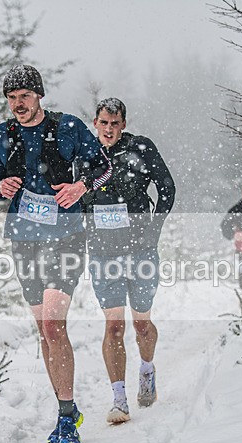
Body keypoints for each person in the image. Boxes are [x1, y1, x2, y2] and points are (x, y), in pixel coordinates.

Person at [0, 65, 112, 443]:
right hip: (24, 238)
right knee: (45, 330)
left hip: (66, 236)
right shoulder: (2, 135)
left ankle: (66, 416)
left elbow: (104, 168)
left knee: (55, 326)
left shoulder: (69, 128)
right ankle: (65, 410)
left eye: (24, 96)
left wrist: (80, 187)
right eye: (11, 99)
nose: (17, 105)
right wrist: (0, 187)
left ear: (39, 95)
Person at [82, 98, 175, 424]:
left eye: (115, 123)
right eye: (103, 123)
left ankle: (147, 370)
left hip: (140, 250)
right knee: (114, 326)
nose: (108, 129)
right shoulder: (83, 152)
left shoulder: (141, 148)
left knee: (141, 323)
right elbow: (65, 193)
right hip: (103, 253)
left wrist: (154, 229)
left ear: (123, 124)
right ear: (95, 122)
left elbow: (167, 187)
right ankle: (119, 399)